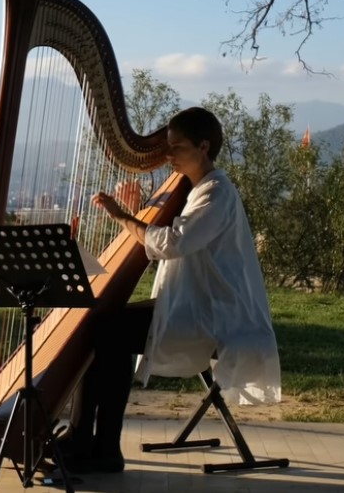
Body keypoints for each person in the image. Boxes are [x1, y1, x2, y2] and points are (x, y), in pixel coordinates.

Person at [59, 106, 282, 474]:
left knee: (106, 328)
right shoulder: (196, 192)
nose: (167, 156)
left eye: (176, 148)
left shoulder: (217, 194)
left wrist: (123, 216)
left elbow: (173, 243)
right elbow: (167, 237)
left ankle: (98, 445)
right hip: (192, 305)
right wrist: (137, 210)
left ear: (204, 147)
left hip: (218, 316)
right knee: (103, 324)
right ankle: (86, 440)